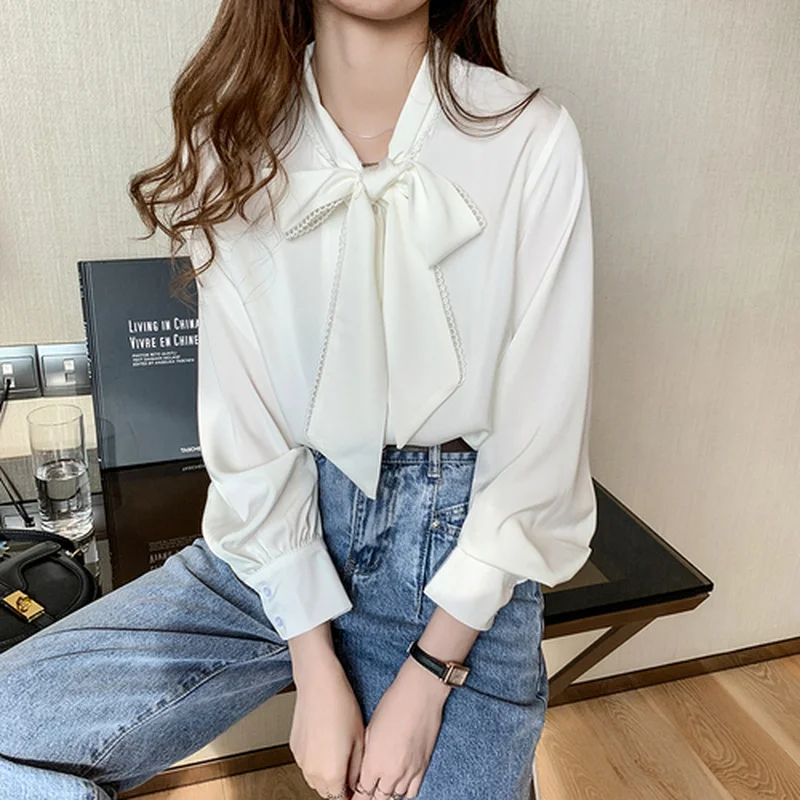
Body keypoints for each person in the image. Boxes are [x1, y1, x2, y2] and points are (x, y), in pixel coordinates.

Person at [0, 0, 598, 798]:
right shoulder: (232, 141)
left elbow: (540, 438)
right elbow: (247, 421)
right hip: (271, 541)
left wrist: (431, 672)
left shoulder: (531, 137)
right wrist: (314, 663)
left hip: (458, 567)